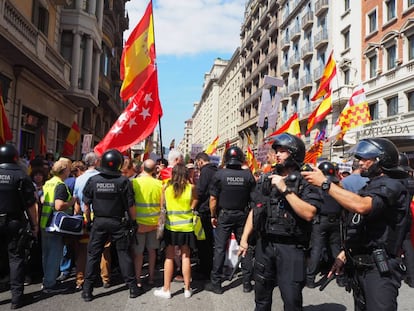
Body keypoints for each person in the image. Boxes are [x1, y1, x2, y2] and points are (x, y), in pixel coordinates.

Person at [302, 138, 410, 311]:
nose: (360, 163)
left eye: (366, 159)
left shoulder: (393, 184)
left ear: (381, 160)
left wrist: (325, 184)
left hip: (380, 269)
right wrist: (345, 254)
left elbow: (362, 206)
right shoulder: (370, 186)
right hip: (361, 265)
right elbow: (360, 224)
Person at [239, 133, 321, 310]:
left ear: (294, 153)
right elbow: (256, 209)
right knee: (261, 298)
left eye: (283, 151)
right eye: (276, 151)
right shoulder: (266, 179)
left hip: (291, 248)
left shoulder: (306, 180)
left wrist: (285, 190)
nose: (277, 155)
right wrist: (244, 239)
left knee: (291, 300)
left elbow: (309, 213)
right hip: (265, 245)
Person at [81, 149, 140, 302]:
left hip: (99, 222)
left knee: (93, 255)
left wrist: (88, 221)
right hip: (118, 222)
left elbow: (86, 205)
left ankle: (87, 290)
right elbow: (131, 205)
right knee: (123, 253)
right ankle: (132, 288)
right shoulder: (123, 181)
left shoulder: (93, 181)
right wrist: (134, 222)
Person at [204, 146, 256, 294]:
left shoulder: (219, 174)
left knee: (220, 248)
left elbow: (213, 199)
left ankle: (216, 283)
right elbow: (254, 200)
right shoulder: (248, 175)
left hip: (225, 215)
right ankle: (247, 283)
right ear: (241, 159)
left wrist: (213, 215)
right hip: (242, 215)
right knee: (245, 246)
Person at [0, 144, 38, 309]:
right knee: (16, 259)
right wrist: (35, 225)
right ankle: (16, 299)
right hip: (14, 222)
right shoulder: (22, 176)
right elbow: (31, 205)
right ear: (15, 157)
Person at [154, 163, 198, 299]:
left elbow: (162, 207)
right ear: (186, 174)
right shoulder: (192, 188)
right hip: (187, 227)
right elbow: (195, 201)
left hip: (171, 227)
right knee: (186, 257)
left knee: (169, 257)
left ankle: (167, 289)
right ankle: (187, 289)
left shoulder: (166, 188)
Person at [72, 152, 112, 291]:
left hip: (84, 217)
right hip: (100, 217)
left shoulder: (79, 179)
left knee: (83, 250)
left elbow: (76, 201)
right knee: (104, 249)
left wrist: (77, 216)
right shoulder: (102, 178)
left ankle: (80, 279)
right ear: (96, 162)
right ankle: (105, 278)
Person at [40, 158, 76, 293]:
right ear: (64, 170)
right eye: (68, 169)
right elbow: (59, 205)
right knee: (54, 255)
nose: (69, 171)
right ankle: (50, 284)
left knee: (47, 254)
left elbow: (42, 199)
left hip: (45, 222)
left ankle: (47, 280)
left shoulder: (49, 183)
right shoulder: (60, 185)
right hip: (55, 225)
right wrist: (71, 202)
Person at [306, 161, 343, 288]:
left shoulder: (315, 186)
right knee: (336, 249)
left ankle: (310, 279)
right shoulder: (338, 187)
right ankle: (341, 277)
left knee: (317, 249)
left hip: (320, 221)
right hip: (335, 221)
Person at [132, 159, 162, 287]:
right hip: (154, 224)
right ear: (155, 169)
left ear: (142, 168)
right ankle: (151, 277)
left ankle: (138, 279)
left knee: (138, 254)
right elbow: (162, 206)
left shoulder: (134, 183)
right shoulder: (160, 184)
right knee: (152, 251)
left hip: (138, 223)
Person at [193, 152, 217, 280]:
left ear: (200, 161)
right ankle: (208, 266)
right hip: (213, 210)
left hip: (203, 210)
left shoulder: (205, 172)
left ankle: (205, 269)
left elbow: (200, 191)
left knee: (202, 241)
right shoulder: (216, 170)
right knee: (209, 242)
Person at [399, 153, 414, 287]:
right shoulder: (411, 181)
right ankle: (412, 276)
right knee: (407, 245)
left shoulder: (395, 181)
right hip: (407, 215)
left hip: (395, 216)